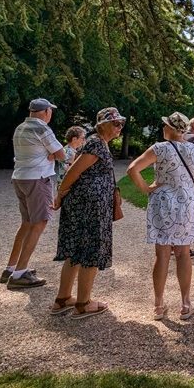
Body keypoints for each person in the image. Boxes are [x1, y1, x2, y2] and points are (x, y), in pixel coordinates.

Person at [127, 112, 194, 321]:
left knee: (162, 255)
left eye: (165, 125)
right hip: (186, 204)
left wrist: (147, 188)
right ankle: (186, 303)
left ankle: (159, 305)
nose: (163, 127)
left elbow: (132, 169)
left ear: (171, 129)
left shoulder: (159, 148)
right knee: (183, 254)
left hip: (162, 203)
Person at [50, 107, 125, 319]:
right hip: (89, 207)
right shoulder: (95, 143)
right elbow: (74, 171)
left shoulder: (96, 143)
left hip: (87, 205)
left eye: (121, 123)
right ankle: (83, 303)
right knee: (90, 251)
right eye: (116, 123)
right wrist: (60, 195)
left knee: (76, 251)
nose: (119, 127)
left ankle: (63, 299)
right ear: (102, 125)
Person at [2, 98, 64, 289]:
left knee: (27, 223)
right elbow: (61, 154)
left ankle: (11, 268)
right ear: (46, 112)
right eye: (50, 111)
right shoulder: (42, 128)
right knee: (39, 222)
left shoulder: (20, 128)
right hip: (38, 178)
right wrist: (52, 155)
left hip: (20, 176)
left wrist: (50, 154)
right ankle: (20, 273)